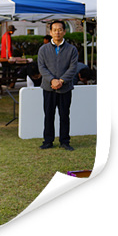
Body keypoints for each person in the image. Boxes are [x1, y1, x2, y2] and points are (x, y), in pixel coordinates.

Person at [38, 20, 79, 151]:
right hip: (48, 88)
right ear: (50, 32)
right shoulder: (43, 49)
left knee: (64, 115)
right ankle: (48, 141)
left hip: (65, 88)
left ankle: (65, 141)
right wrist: (52, 80)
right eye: (54, 30)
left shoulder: (72, 49)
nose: (57, 32)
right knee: (48, 115)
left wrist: (61, 81)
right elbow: (42, 67)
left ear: (64, 31)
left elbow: (73, 68)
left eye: (60, 29)